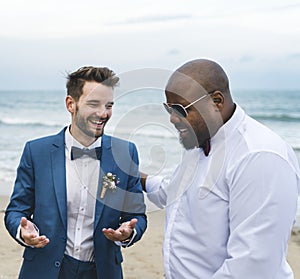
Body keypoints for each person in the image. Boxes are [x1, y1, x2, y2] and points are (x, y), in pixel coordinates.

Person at [141, 59, 300, 278]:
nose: (172, 118)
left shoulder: (259, 156)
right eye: (168, 108)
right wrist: (136, 177)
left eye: (179, 109)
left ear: (216, 101)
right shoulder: (200, 140)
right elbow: (175, 193)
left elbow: (252, 266)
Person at [5, 66, 147, 279]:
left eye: (109, 105)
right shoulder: (36, 152)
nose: (103, 113)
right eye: (93, 104)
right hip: (44, 270)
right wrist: (23, 231)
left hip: (102, 271)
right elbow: (16, 211)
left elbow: (136, 215)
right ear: (71, 104)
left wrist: (128, 232)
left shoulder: (126, 153)